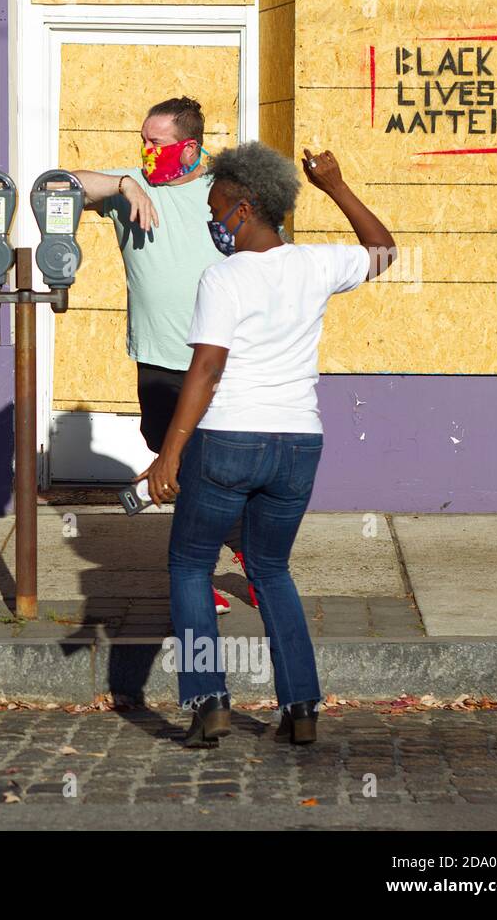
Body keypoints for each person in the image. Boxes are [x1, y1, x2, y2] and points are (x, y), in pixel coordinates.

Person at [137, 143, 396, 748]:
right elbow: (383, 250)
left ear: (245, 207)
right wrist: (335, 184)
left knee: (191, 566)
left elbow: (205, 370)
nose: (212, 220)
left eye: (216, 208)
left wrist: (170, 453)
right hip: (299, 443)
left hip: (230, 438)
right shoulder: (315, 263)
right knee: (272, 569)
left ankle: (208, 702)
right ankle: (301, 707)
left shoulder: (223, 277)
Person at [71, 96, 255, 614]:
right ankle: (243, 551)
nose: (146, 151)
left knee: (209, 465)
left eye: (157, 143)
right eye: (143, 141)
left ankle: (220, 569)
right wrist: (126, 183)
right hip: (155, 358)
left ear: (190, 146)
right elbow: (61, 184)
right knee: (177, 459)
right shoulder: (133, 183)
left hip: (217, 359)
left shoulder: (224, 189)